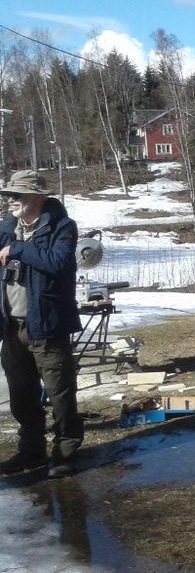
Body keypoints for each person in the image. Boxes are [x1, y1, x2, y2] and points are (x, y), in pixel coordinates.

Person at [0, 170, 83, 478]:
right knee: (21, 397)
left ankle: (64, 454)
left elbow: (57, 262)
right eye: (8, 195)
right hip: (12, 328)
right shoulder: (7, 227)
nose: (10, 200)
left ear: (37, 197)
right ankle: (31, 453)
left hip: (47, 327)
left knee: (61, 396)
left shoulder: (62, 226)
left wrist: (18, 249)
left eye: (16, 195)